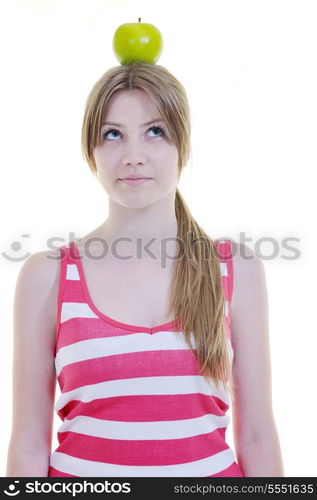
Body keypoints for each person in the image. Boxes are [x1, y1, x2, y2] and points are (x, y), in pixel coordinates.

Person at [6, 62, 284, 477]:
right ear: (91, 152)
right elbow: (28, 443)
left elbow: (257, 436)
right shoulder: (47, 275)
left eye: (155, 131)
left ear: (182, 147)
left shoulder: (236, 269)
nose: (133, 156)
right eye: (112, 134)